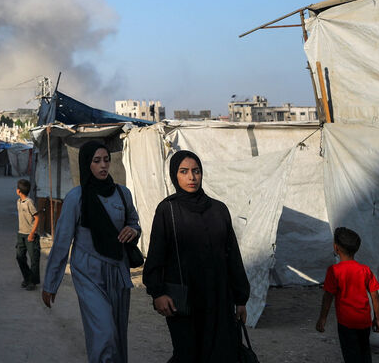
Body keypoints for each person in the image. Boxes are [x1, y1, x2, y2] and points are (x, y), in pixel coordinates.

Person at [144, 150, 250, 362]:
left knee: (223, 352)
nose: (191, 177)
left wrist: (240, 299)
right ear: (175, 175)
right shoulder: (168, 210)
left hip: (219, 298)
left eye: (196, 171)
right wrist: (157, 293)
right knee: (188, 354)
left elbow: (232, 256)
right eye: (184, 172)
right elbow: (156, 254)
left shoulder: (219, 210)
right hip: (184, 302)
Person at [41, 140, 141, 363]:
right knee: (103, 334)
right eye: (97, 161)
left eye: (106, 160)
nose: (103, 166)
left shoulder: (123, 194)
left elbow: (134, 222)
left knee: (117, 335)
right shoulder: (76, 198)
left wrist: (133, 231)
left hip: (118, 271)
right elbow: (61, 244)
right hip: (88, 274)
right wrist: (51, 284)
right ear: (87, 164)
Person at [316, 227, 379, 363]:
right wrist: (377, 319)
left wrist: (322, 318)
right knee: (364, 352)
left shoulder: (334, 271)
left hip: (346, 322)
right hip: (364, 321)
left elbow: (328, 296)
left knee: (351, 355)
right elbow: (375, 296)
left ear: (336, 248)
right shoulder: (365, 270)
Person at [15, 178, 41, 290]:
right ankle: (27, 278)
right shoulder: (18, 202)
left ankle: (33, 282)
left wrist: (32, 233)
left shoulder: (29, 203)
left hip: (30, 235)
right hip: (21, 234)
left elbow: (37, 217)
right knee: (20, 257)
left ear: (18, 191)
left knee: (34, 259)